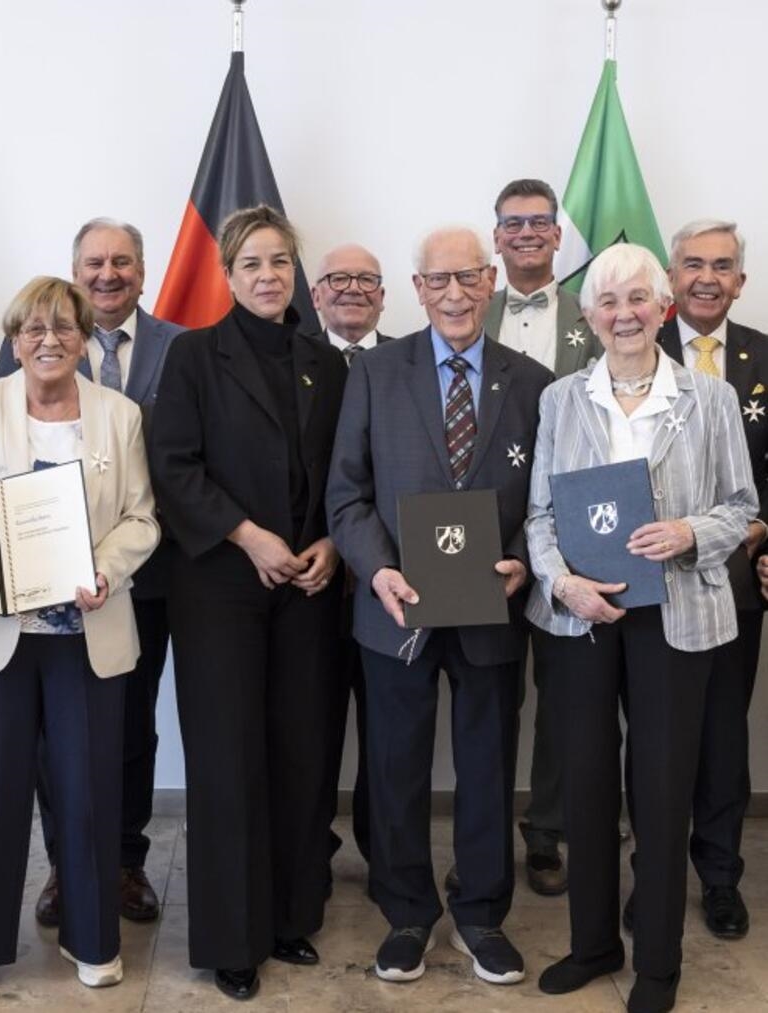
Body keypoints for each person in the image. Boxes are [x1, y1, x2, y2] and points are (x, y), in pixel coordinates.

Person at [0, 276, 158, 1012]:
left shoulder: (120, 414)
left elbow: (142, 520)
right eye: (33, 329)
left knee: (89, 787)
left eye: (63, 327)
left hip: (86, 627)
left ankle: (91, 937)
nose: (48, 340)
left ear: (86, 337)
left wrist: (104, 573)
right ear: (13, 338)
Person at [525, 243, 756, 1013]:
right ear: (588, 317)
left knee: (660, 791)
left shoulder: (711, 399)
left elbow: (740, 506)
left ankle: (657, 961)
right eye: (608, 302)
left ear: (663, 309)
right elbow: (539, 516)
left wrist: (689, 532)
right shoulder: (561, 400)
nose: (624, 314)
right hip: (585, 619)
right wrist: (563, 582)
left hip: (678, 617)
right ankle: (593, 944)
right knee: (586, 785)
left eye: (638, 300)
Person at [327, 226, 552, 987]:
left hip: (493, 606)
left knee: (488, 763)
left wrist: (523, 556)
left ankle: (483, 913)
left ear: (491, 281)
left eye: (467, 277)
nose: (454, 293)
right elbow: (346, 493)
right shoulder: (377, 373)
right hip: (396, 611)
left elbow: (544, 497)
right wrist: (380, 570)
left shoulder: (533, 379)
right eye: (438, 280)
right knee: (395, 766)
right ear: (417, 290)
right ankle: (408, 911)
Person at [149, 205, 346, 1001]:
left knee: (302, 753)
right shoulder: (194, 356)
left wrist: (331, 541)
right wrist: (248, 535)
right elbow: (173, 466)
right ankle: (233, 938)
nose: (270, 276)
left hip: (309, 584)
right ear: (228, 276)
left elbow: (347, 471)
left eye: (281, 262)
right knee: (229, 762)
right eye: (253, 264)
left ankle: (291, 917)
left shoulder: (324, 362)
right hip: (222, 585)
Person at [0, 217, 183, 926]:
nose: (109, 274)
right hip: (39, 589)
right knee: (51, 732)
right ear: (75, 269)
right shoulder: (33, 344)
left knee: (130, 724)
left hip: (145, 576)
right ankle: (62, 865)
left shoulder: (179, 347)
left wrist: (114, 561)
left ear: (143, 269)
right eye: (94, 262)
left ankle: (126, 861)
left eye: (122, 262)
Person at [645, 219, 767, 940]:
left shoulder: (762, 360)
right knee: (655, 740)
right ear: (670, 273)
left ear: (740, 281)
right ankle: (652, 876)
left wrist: (750, 532)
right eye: (693, 263)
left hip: (738, 581)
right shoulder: (632, 345)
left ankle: (719, 875)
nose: (707, 277)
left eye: (722, 265)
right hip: (650, 581)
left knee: (723, 737)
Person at [484, 177, 601, 897]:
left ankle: (548, 830)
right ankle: (485, 831)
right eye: (512, 222)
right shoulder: (466, 308)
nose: (527, 232)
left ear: (559, 236)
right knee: (492, 695)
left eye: (540, 222)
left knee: (564, 696)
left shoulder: (596, 321)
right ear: (495, 237)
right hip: (486, 538)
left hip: (569, 535)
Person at [309, 241, 393, 876]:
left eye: (368, 280)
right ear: (315, 295)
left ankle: (383, 852)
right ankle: (311, 849)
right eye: (338, 279)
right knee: (312, 730)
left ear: (385, 295)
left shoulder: (409, 365)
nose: (353, 290)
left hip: (390, 578)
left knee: (388, 732)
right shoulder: (293, 361)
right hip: (307, 581)